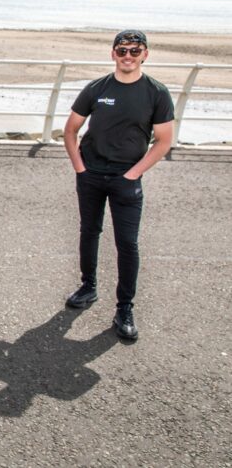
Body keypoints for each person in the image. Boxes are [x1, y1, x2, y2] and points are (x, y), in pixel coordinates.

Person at [63, 30, 174, 340]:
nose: (128, 56)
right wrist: (80, 168)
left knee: (127, 243)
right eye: (122, 50)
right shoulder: (97, 88)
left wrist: (134, 174)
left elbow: (164, 142)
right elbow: (70, 130)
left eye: (135, 51)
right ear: (112, 54)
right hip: (91, 174)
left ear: (145, 55)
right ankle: (88, 287)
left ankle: (124, 308)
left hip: (127, 178)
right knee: (89, 230)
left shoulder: (156, 93)